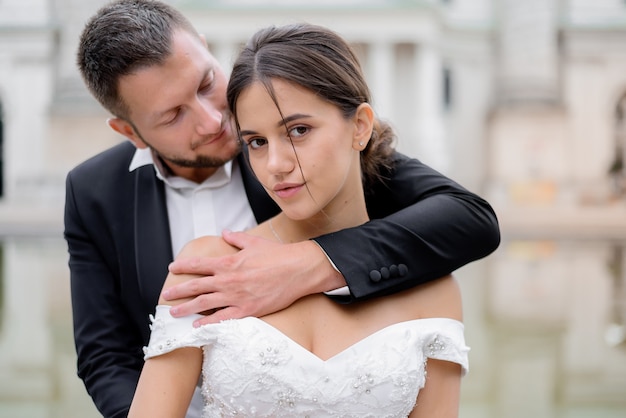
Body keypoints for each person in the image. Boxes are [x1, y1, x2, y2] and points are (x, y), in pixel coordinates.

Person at [64, 1, 499, 417]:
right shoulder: (94, 192)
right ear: (130, 131)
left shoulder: (305, 138)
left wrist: (314, 262)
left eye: (205, 84)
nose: (213, 120)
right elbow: (104, 355)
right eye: (174, 114)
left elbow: (468, 217)